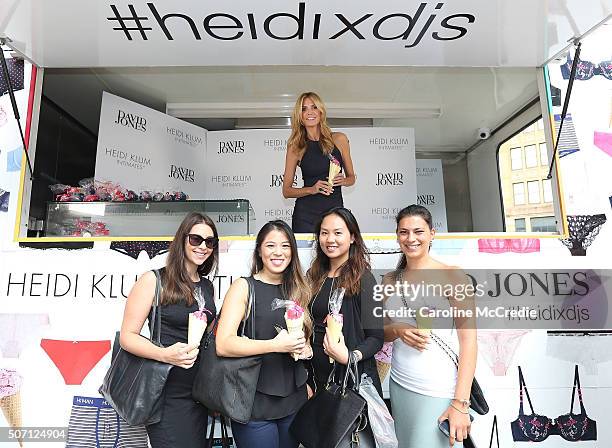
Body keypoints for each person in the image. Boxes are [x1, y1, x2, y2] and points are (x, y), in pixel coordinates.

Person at [119, 212, 219, 448]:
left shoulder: (206, 286)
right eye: (196, 239)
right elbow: (127, 337)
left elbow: (208, 336)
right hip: (165, 393)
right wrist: (165, 354)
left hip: (198, 394)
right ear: (182, 240)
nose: (203, 246)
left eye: (209, 241)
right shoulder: (153, 280)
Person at [383, 205, 477, 448]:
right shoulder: (389, 280)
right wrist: (399, 330)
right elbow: (382, 333)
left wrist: (460, 403)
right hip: (399, 384)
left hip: (438, 388)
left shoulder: (452, 276)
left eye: (418, 231)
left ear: (432, 234)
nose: (411, 238)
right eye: (404, 232)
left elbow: (469, 342)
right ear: (397, 235)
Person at [215, 220, 313, 448]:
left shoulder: (299, 288)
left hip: (294, 399)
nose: (278, 252)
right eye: (270, 245)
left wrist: (304, 348)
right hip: (253, 401)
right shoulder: (243, 287)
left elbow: (302, 337)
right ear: (259, 250)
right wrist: (275, 345)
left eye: (285, 246)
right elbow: (224, 344)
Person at [306, 207, 384, 398]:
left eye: (338, 233)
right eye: (324, 233)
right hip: (316, 380)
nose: (330, 239)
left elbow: (375, 338)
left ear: (352, 237)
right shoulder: (313, 276)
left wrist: (350, 357)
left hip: (350, 383)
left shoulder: (364, 279)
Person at [282, 92, 356, 234]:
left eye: (314, 107)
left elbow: (352, 177)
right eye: (304, 109)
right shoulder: (296, 146)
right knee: (305, 256)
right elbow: (286, 191)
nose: (310, 112)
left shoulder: (339, 139)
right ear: (300, 116)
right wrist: (312, 189)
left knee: (334, 255)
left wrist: (344, 180)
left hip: (334, 212)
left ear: (321, 111)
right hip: (305, 216)